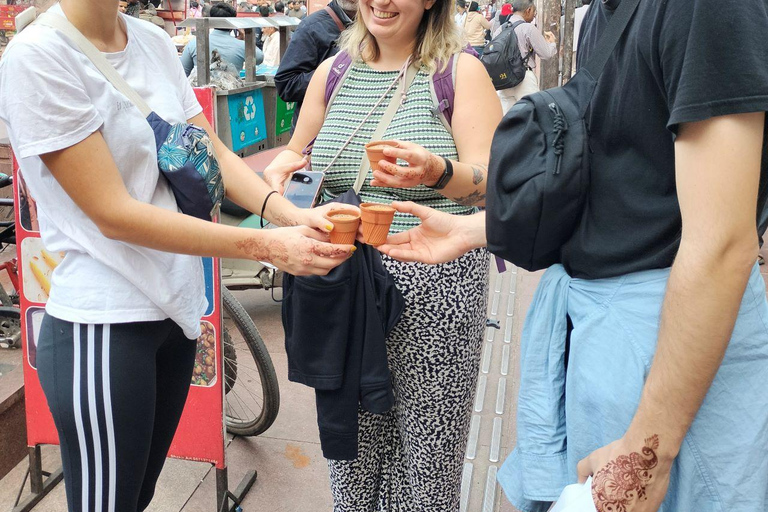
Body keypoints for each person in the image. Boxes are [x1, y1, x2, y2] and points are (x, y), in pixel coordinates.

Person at [378, 1, 768, 511]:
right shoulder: (604, 14)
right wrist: (477, 229)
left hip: (674, 354)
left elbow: (720, 245)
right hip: (606, 340)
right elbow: (622, 189)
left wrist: (646, 453)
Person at [0, 1, 356, 510]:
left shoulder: (148, 40)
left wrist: (287, 216)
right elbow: (113, 213)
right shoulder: (38, 57)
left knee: (137, 494)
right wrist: (266, 245)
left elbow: (209, 150)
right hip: (103, 325)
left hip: (173, 313)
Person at [265, 0, 501, 508]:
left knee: (427, 462)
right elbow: (300, 153)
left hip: (435, 291)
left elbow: (493, 188)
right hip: (343, 288)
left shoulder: (461, 73)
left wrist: (436, 171)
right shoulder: (332, 72)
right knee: (351, 453)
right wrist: (281, 171)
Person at [274, 0, 356, 133]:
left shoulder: (377, 27)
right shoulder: (312, 26)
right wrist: (333, 75)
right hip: (316, 135)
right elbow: (286, 83)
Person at [496, 0, 556, 114]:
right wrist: (552, 43)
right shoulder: (528, 28)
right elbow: (546, 54)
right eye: (534, 11)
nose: (534, 15)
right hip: (524, 78)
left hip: (504, 80)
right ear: (528, 10)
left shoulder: (500, 29)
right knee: (533, 115)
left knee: (507, 120)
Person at [180, 2, 264, 77]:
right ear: (232, 22)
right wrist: (246, 39)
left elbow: (183, 73)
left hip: (203, 93)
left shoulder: (194, 43)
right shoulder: (241, 45)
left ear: (211, 20)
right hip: (233, 92)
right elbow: (259, 58)